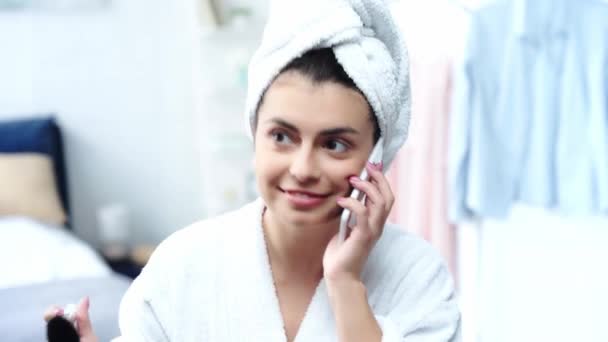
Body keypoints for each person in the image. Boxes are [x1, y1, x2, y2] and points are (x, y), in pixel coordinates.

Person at [45, 1, 461, 341]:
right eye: (282, 136)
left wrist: (346, 284)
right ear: (254, 133)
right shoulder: (182, 265)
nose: (302, 169)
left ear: (376, 155)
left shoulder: (417, 277)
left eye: (335, 144)